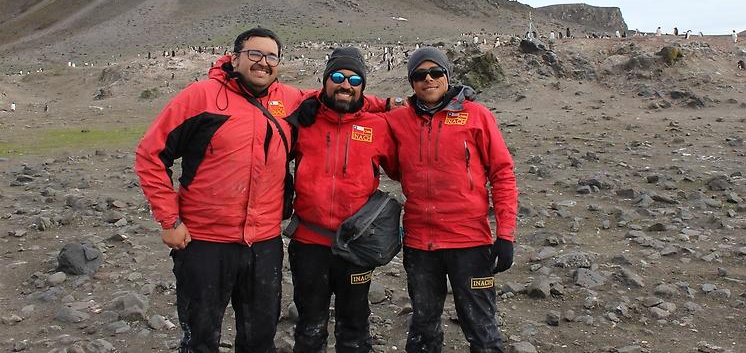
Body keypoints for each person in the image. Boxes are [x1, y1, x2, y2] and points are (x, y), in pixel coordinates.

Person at [136, 28, 397, 353]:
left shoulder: (287, 100)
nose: (263, 63)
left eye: (270, 56)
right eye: (254, 55)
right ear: (235, 58)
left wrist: (392, 103)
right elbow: (150, 153)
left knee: (260, 338)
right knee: (201, 336)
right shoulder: (200, 97)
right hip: (204, 240)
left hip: (263, 243)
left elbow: (337, 97)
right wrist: (169, 221)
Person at [385, 47, 518, 353]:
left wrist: (506, 234)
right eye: (419, 75)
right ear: (411, 81)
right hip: (420, 244)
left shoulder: (477, 116)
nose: (428, 80)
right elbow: (392, 166)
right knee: (423, 325)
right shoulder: (398, 122)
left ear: (447, 75)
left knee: (481, 328)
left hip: (469, 241)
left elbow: (503, 174)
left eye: (435, 73)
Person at [285, 47, 396, 353]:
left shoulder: (379, 126)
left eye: (354, 79)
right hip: (309, 243)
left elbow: (401, 169)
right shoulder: (303, 121)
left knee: (355, 327)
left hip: (356, 246)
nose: (345, 84)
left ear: (363, 85)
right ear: (324, 80)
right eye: (337, 76)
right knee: (309, 327)